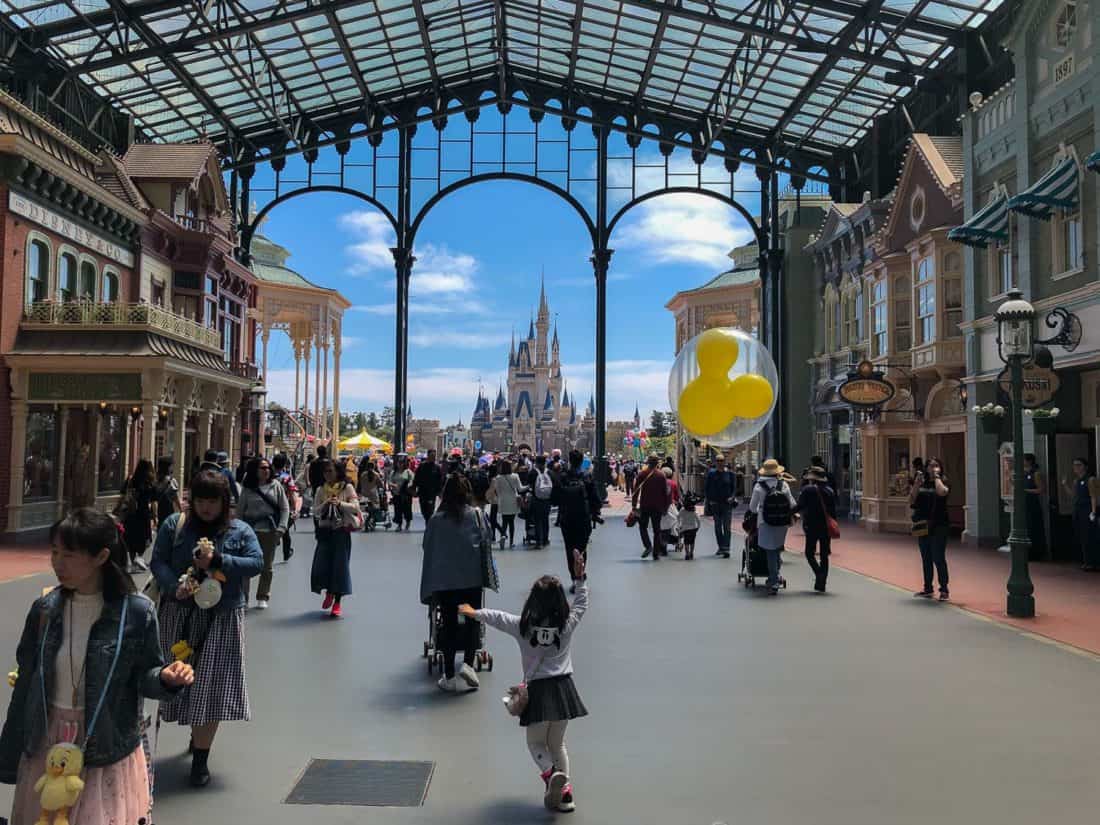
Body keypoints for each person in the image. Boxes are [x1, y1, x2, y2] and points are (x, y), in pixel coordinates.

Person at [0, 509, 194, 825]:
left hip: (105, 744)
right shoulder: (45, 611)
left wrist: (167, 679)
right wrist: (9, 754)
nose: (57, 563)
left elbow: (146, 674)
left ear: (101, 556)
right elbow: (25, 683)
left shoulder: (136, 613)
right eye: (54, 552)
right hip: (47, 744)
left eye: (69, 554)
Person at [150, 470, 262, 787]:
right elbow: (157, 561)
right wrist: (174, 587)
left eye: (213, 501)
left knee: (211, 688)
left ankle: (201, 758)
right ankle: (194, 736)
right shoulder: (176, 526)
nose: (206, 508)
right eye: (200, 500)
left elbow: (256, 562)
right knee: (175, 682)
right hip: (180, 614)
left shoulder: (240, 530)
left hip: (222, 618)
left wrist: (220, 560)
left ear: (225, 502)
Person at [460, 551, 588, 814]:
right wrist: (579, 576)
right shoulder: (566, 626)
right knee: (558, 744)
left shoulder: (523, 628)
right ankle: (566, 796)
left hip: (539, 693)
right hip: (564, 690)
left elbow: (498, 618)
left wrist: (473, 612)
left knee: (535, 743)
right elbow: (582, 603)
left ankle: (551, 775)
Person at [420, 475, 493, 693]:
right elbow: (486, 540)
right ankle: (469, 664)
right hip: (471, 579)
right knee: (473, 619)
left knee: (449, 623)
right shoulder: (477, 516)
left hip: (445, 580)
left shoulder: (436, 520)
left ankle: (449, 675)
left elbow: (427, 545)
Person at [310, 459, 362, 617]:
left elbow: (356, 507)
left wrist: (340, 503)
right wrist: (326, 503)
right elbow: (316, 511)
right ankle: (329, 592)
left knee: (340, 567)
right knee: (322, 565)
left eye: (330, 471)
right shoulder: (321, 489)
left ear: (338, 472)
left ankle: (337, 602)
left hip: (341, 532)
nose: (327, 475)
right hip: (325, 532)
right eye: (325, 472)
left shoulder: (347, 487)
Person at [238, 457, 291, 610]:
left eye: (268, 468)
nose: (266, 470)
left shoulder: (276, 486)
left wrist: (282, 527)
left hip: (270, 530)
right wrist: (238, 530)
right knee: (245, 565)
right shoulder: (247, 489)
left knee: (267, 566)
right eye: (262, 468)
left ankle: (263, 595)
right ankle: (244, 597)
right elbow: (240, 511)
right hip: (250, 531)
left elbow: (284, 508)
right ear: (255, 470)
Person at [748, 459, 797, 595]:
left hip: (765, 522)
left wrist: (761, 510)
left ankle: (774, 580)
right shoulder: (784, 485)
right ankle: (775, 574)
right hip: (782, 522)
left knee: (770, 550)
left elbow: (752, 508)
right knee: (777, 548)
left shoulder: (758, 486)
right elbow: (792, 504)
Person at [555, 450, 602, 592]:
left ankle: (574, 579)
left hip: (567, 518)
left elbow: (556, 497)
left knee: (570, 548)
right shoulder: (587, 476)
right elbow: (596, 499)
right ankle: (580, 575)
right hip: (583, 518)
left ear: (569, 460)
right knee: (581, 549)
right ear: (582, 461)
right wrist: (595, 512)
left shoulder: (563, 476)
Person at [909, 457, 950, 600]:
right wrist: (916, 483)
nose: (933, 468)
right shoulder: (921, 482)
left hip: (939, 524)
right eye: (930, 466)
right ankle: (928, 588)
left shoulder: (943, 481)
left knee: (938, 557)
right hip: (922, 524)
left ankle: (944, 589)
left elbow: (942, 492)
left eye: (936, 465)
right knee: (926, 557)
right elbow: (912, 499)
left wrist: (937, 476)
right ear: (926, 468)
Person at [796, 466, 837, 593]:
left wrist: (789, 513)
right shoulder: (830, 490)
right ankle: (822, 581)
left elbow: (800, 505)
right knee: (824, 555)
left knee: (809, 553)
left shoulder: (807, 490)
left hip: (812, 525)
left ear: (812, 479)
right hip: (825, 526)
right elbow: (833, 510)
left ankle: (819, 574)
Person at [118, 459, 157, 573]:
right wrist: (155, 516)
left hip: (130, 514)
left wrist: (120, 508)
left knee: (130, 538)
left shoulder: (131, 479)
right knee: (144, 538)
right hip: (143, 514)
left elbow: (122, 495)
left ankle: (133, 558)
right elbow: (154, 501)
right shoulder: (149, 482)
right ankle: (137, 558)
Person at [1062, 458, 1100, 571]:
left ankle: (1092, 562)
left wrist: (1093, 512)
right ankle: (1085, 561)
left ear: (1085, 466)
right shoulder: (1076, 481)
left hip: (1087, 510)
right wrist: (1065, 485)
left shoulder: (1091, 479)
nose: (1076, 467)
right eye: (1074, 465)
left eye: (1079, 465)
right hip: (1077, 510)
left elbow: (1094, 496)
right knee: (1081, 536)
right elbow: (1073, 495)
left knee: (1090, 536)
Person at [631, 456, 671, 560]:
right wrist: (666, 507)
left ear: (648, 463)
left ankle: (648, 546)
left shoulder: (642, 474)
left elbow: (636, 490)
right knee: (657, 530)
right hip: (658, 507)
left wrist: (634, 505)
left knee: (643, 527)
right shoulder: (661, 475)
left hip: (645, 505)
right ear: (657, 463)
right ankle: (656, 553)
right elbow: (666, 493)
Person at [704, 455, 738, 558]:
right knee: (718, 527)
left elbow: (734, 488)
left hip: (727, 504)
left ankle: (726, 548)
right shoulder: (711, 474)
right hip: (715, 504)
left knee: (727, 527)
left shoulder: (730, 474)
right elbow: (707, 488)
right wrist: (710, 501)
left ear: (725, 461)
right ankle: (721, 547)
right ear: (716, 462)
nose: (720, 462)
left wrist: (732, 497)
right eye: (718, 460)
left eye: (722, 461)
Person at [492, 459, 525, 549]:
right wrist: (528, 486)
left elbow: (497, 491)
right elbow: (520, 489)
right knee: (511, 522)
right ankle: (511, 542)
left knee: (504, 521)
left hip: (503, 501)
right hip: (513, 501)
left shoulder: (498, 478)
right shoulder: (515, 476)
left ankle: (503, 535)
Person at [272, 453, 299, 562]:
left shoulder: (268, 476)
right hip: (284, 507)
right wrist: (294, 509)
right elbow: (292, 494)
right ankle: (286, 552)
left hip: (269, 507)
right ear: (284, 465)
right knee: (285, 530)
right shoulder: (287, 478)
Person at [1022, 453, 1047, 562]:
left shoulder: (1035, 474)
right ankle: (1027, 552)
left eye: (1023, 460)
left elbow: (1041, 489)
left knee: (1033, 528)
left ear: (1029, 461)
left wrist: (1026, 491)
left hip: (1033, 503)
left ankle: (1036, 553)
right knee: (1026, 528)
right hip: (1025, 504)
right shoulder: (1023, 473)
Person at [412, 449, 445, 526]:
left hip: (432, 493)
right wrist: (414, 488)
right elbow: (416, 478)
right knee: (423, 510)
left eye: (434, 456)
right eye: (431, 456)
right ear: (428, 456)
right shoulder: (422, 466)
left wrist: (440, 491)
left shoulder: (437, 467)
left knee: (430, 510)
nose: (433, 458)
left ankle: (428, 523)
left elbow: (440, 480)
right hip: (422, 492)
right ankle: (427, 520)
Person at [530, 455, 554, 549]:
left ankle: (539, 542)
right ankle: (545, 539)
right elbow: (555, 484)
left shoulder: (533, 472)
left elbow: (529, 483)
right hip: (547, 501)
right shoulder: (550, 472)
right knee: (545, 520)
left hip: (536, 500)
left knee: (537, 521)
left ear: (536, 463)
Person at [154, 455, 182, 529]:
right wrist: (181, 509)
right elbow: (175, 498)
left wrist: (154, 515)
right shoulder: (172, 481)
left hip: (159, 510)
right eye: (171, 465)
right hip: (168, 510)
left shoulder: (155, 480)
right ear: (168, 467)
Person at [390, 455, 414, 531]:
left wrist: (408, 486)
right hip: (397, 494)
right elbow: (390, 481)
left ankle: (407, 523)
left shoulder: (408, 472)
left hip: (406, 494)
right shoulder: (394, 472)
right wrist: (393, 485)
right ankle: (399, 525)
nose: (400, 464)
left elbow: (412, 480)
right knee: (398, 510)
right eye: (399, 463)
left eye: (401, 463)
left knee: (407, 509)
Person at [677, 494, 701, 561]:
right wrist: (698, 527)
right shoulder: (694, 511)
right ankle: (691, 553)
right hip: (693, 529)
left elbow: (678, 517)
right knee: (692, 542)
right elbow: (698, 520)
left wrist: (679, 525)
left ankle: (687, 554)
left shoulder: (682, 510)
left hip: (685, 529)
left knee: (686, 542)